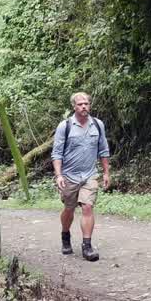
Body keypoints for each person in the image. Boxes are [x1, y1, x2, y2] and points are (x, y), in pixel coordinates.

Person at [51, 92, 110, 261]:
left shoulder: (98, 125)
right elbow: (56, 154)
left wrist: (106, 172)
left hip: (89, 175)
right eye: (80, 104)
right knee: (69, 209)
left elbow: (104, 151)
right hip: (69, 176)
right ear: (74, 107)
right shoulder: (65, 126)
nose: (84, 106)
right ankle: (65, 235)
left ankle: (87, 246)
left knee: (87, 207)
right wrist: (59, 175)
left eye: (86, 103)